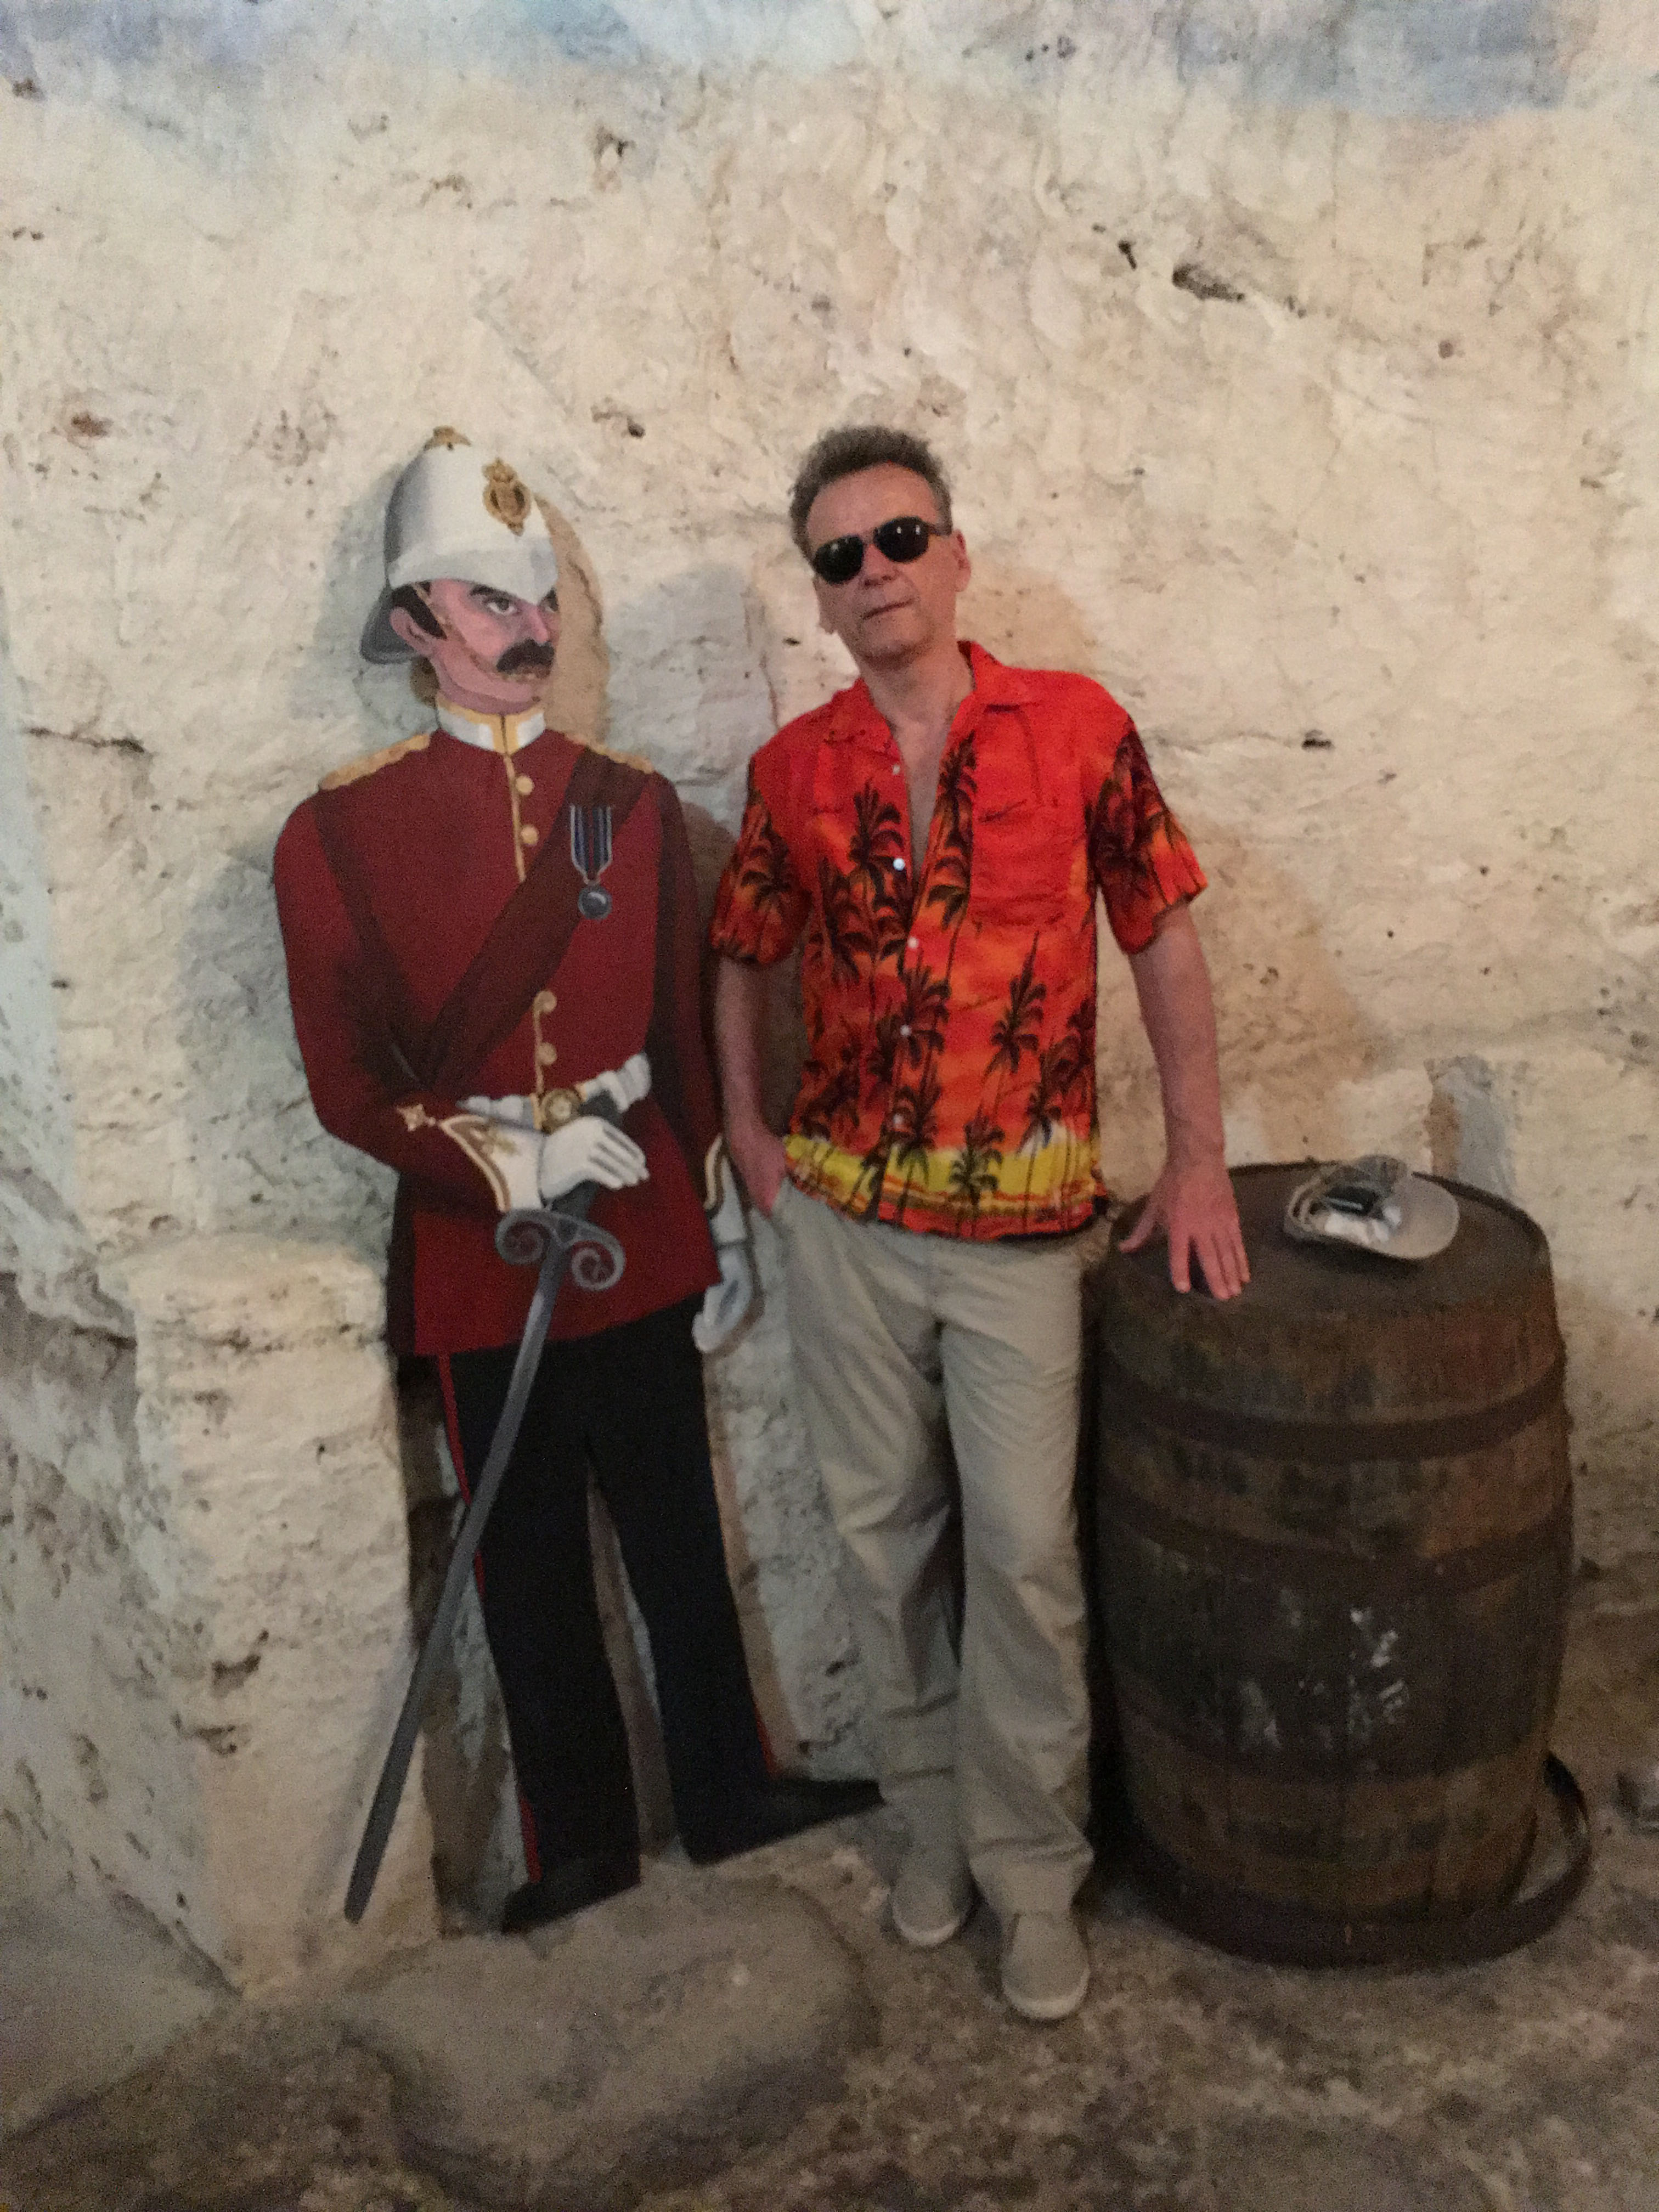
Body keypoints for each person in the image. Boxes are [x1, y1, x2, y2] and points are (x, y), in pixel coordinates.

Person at [274, 430, 876, 1934]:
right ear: (415, 622)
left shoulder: (622, 804)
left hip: (638, 1227)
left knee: (678, 1528)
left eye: (537, 597)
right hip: (482, 1252)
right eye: (490, 600)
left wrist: (714, 1215)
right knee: (526, 1554)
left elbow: (674, 1023)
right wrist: (509, 1154)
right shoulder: (336, 835)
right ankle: (580, 1841)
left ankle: (727, 1791)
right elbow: (350, 1086)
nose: (528, 627)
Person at [710, 425, 1247, 2020]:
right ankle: (931, 1825)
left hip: (1023, 1237)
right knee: (883, 1547)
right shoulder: (793, 773)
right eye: (841, 557)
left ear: (955, 556)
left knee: (1020, 1557)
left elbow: (1162, 939)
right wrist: (749, 1134)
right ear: (821, 598)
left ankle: (1031, 1871)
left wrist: (1201, 1161)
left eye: (900, 539)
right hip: (846, 1224)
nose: (874, 572)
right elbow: (741, 950)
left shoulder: (1079, 730)